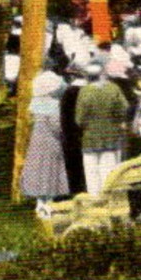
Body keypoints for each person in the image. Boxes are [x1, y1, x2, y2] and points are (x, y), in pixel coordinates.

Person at [74, 61, 129, 194]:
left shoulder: (84, 91)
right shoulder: (113, 88)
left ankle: (95, 202)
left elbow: (79, 120)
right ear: (101, 74)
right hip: (111, 137)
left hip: (90, 138)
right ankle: (109, 200)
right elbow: (124, 108)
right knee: (109, 173)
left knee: (92, 173)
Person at [19, 71, 69, 214]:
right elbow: (57, 126)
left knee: (39, 172)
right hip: (51, 143)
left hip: (37, 142)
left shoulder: (36, 103)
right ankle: (47, 206)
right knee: (51, 173)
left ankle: (39, 203)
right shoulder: (54, 105)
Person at [58, 66, 88, 196]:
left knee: (72, 164)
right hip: (86, 133)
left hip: (70, 134)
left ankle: (75, 190)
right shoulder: (88, 91)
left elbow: (64, 116)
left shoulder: (69, 93)